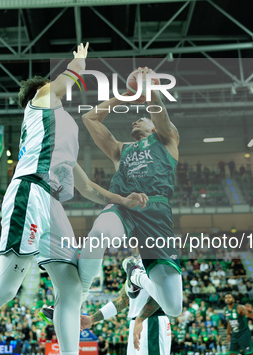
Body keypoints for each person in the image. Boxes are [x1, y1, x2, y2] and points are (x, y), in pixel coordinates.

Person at [0, 43, 146, 355]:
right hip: (30, 192)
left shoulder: (60, 134)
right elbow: (66, 80)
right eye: (49, 86)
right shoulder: (39, 103)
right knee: (6, 288)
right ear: (39, 92)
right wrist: (79, 62)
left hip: (52, 204)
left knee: (70, 287)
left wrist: (123, 199)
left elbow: (88, 187)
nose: (54, 89)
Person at [78, 67, 182, 318]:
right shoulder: (120, 150)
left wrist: (151, 93)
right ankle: (77, 297)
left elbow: (161, 116)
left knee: (173, 307)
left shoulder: (167, 139)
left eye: (141, 118)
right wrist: (124, 96)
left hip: (157, 213)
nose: (135, 120)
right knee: (100, 232)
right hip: (124, 207)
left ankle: (135, 274)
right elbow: (89, 119)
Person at [80, 258, 171, 355]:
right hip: (137, 322)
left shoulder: (155, 260)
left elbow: (160, 293)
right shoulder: (134, 264)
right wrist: (92, 318)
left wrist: (140, 319)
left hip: (151, 321)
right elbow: (122, 301)